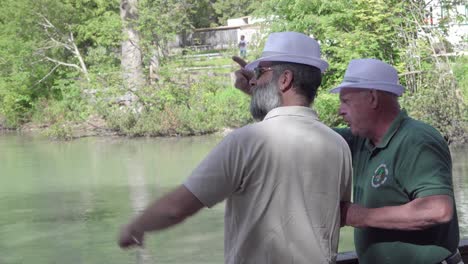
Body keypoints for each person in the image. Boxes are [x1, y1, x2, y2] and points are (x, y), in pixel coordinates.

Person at [118, 31, 353, 264]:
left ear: (285, 79)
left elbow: (177, 208)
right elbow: (335, 215)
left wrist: (137, 226)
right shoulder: (338, 145)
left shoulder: (246, 141)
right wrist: (260, 90)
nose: (252, 80)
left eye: (261, 73)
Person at [331, 59, 462, 264]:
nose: (340, 110)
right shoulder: (360, 141)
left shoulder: (416, 140)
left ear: (373, 98)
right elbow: (311, 135)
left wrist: (359, 216)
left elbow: (438, 210)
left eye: (346, 101)